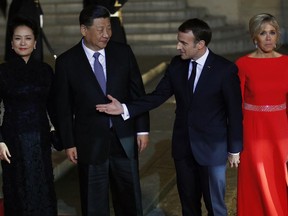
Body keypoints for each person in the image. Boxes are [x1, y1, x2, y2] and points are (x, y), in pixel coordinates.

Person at [96, 18, 243, 215]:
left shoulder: (225, 69)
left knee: (215, 206)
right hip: (183, 148)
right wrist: (124, 108)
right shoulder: (176, 65)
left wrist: (234, 149)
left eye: (183, 43)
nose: (178, 46)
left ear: (200, 45)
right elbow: (157, 96)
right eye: (178, 41)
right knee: (188, 205)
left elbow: (234, 112)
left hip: (212, 149)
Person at [54, 5, 149, 216]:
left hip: (124, 138)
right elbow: (63, 107)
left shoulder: (123, 52)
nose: (106, 34)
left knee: (130, 199)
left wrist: (142, 130)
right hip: (90, 142)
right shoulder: (67, 62)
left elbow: (138, 95)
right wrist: (69, 142)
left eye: (109, 28)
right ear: (83, 30)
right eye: (100, 29)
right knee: (93, 202)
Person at [0, 16, 58, 216]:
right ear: (11, 43)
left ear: (35, 43)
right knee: (17, 188)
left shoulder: (45, 71)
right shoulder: (2, 71)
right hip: (12, 140)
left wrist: (59, 135)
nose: (23, 43)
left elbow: (54, 106)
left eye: (27, 38)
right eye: (18, 38)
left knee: (42, 186)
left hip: (41, 138)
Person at [235, 13, 288, 216]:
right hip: (254, 130)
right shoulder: (243, 64)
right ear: (254, 37)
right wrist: (235, 140)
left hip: (281, 131)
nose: (268, 38)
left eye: (272, 33)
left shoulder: (286, 62)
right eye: (262, 33)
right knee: (258, 176)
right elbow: (236, 104)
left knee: (280, 177)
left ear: (277, 35)